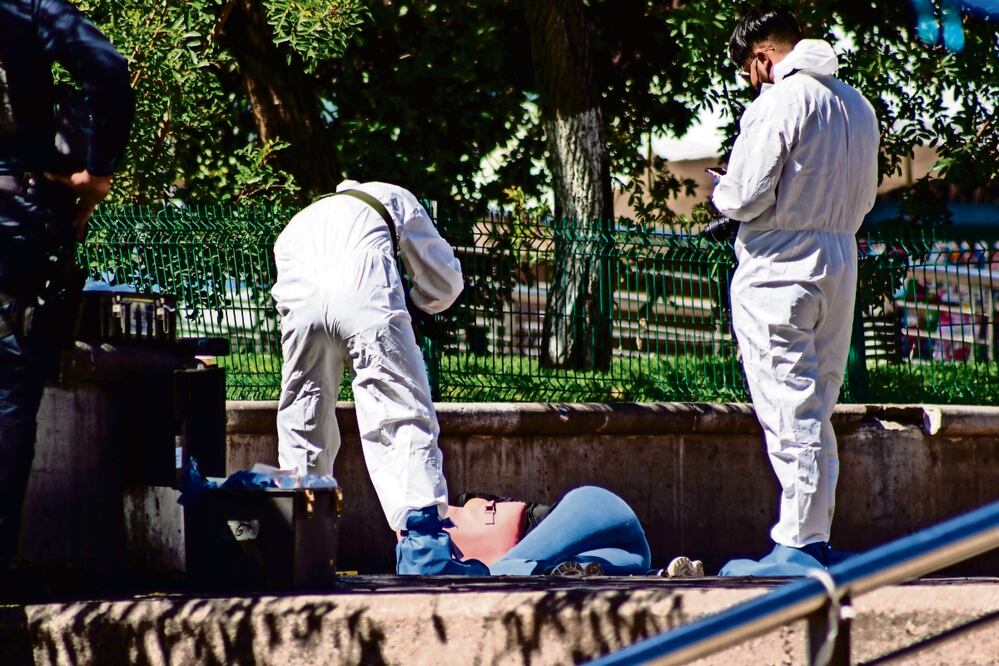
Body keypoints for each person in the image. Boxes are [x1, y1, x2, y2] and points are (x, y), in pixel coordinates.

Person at [711, 8, 879, 575]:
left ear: (761, 58)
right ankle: (817, 536)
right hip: (839, 257)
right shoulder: (858, 105)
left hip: (780, 265)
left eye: (748, 70)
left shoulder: (779, 101)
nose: (750, 82)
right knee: (817, 404)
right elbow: (865, 198)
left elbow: (747, 194)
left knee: (788, 404)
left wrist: (721, 196)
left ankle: (798, 547)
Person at [272, 178, 487, 575]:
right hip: (365, 299)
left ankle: (299, 547)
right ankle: (425, 548)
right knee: (399, 409)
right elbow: (444, 281)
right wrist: (418, 303)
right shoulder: (389, 195)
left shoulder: (297, 222)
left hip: (301, 310)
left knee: (304, 417)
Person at [0, 0, 134, 584]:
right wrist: (94, 169)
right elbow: (107, 70)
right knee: (7, 383)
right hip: (14, 205)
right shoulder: (27, 7)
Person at [445, 485, 653, 576]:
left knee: (499, 570)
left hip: (591, 507)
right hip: (631, 550)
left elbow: (474, 508)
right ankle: (662, 573)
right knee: (572, 569)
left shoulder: (465, 503)